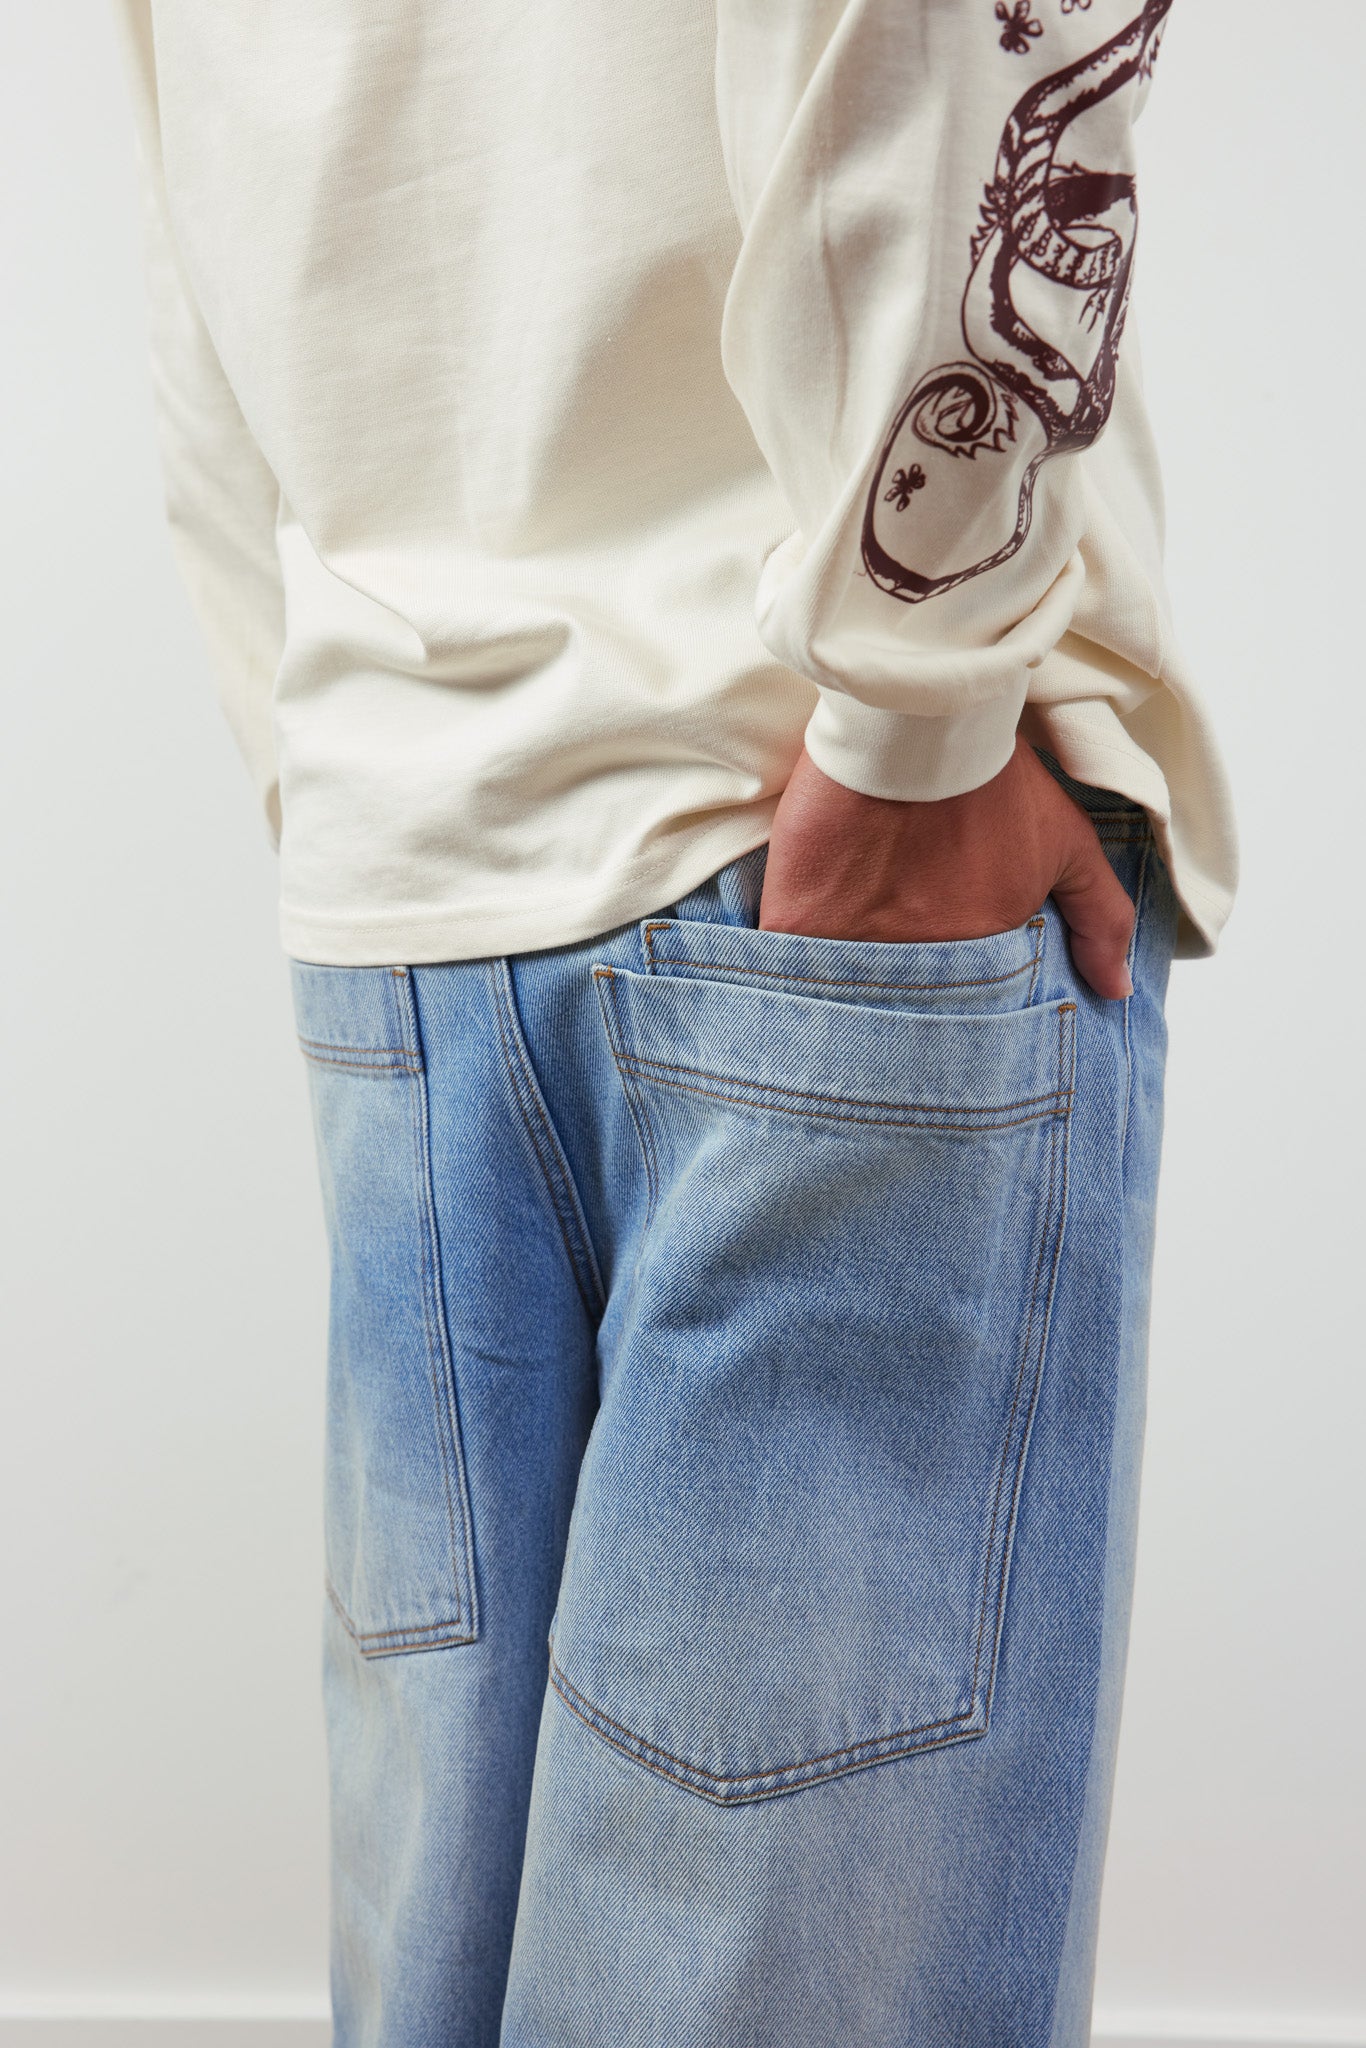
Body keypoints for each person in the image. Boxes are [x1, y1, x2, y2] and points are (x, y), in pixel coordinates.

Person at [114, 0, 1235, 2041]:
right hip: (810, 841)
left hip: (413, 852)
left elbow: (177, 169)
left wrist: (346, 756)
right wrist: (917, 693)